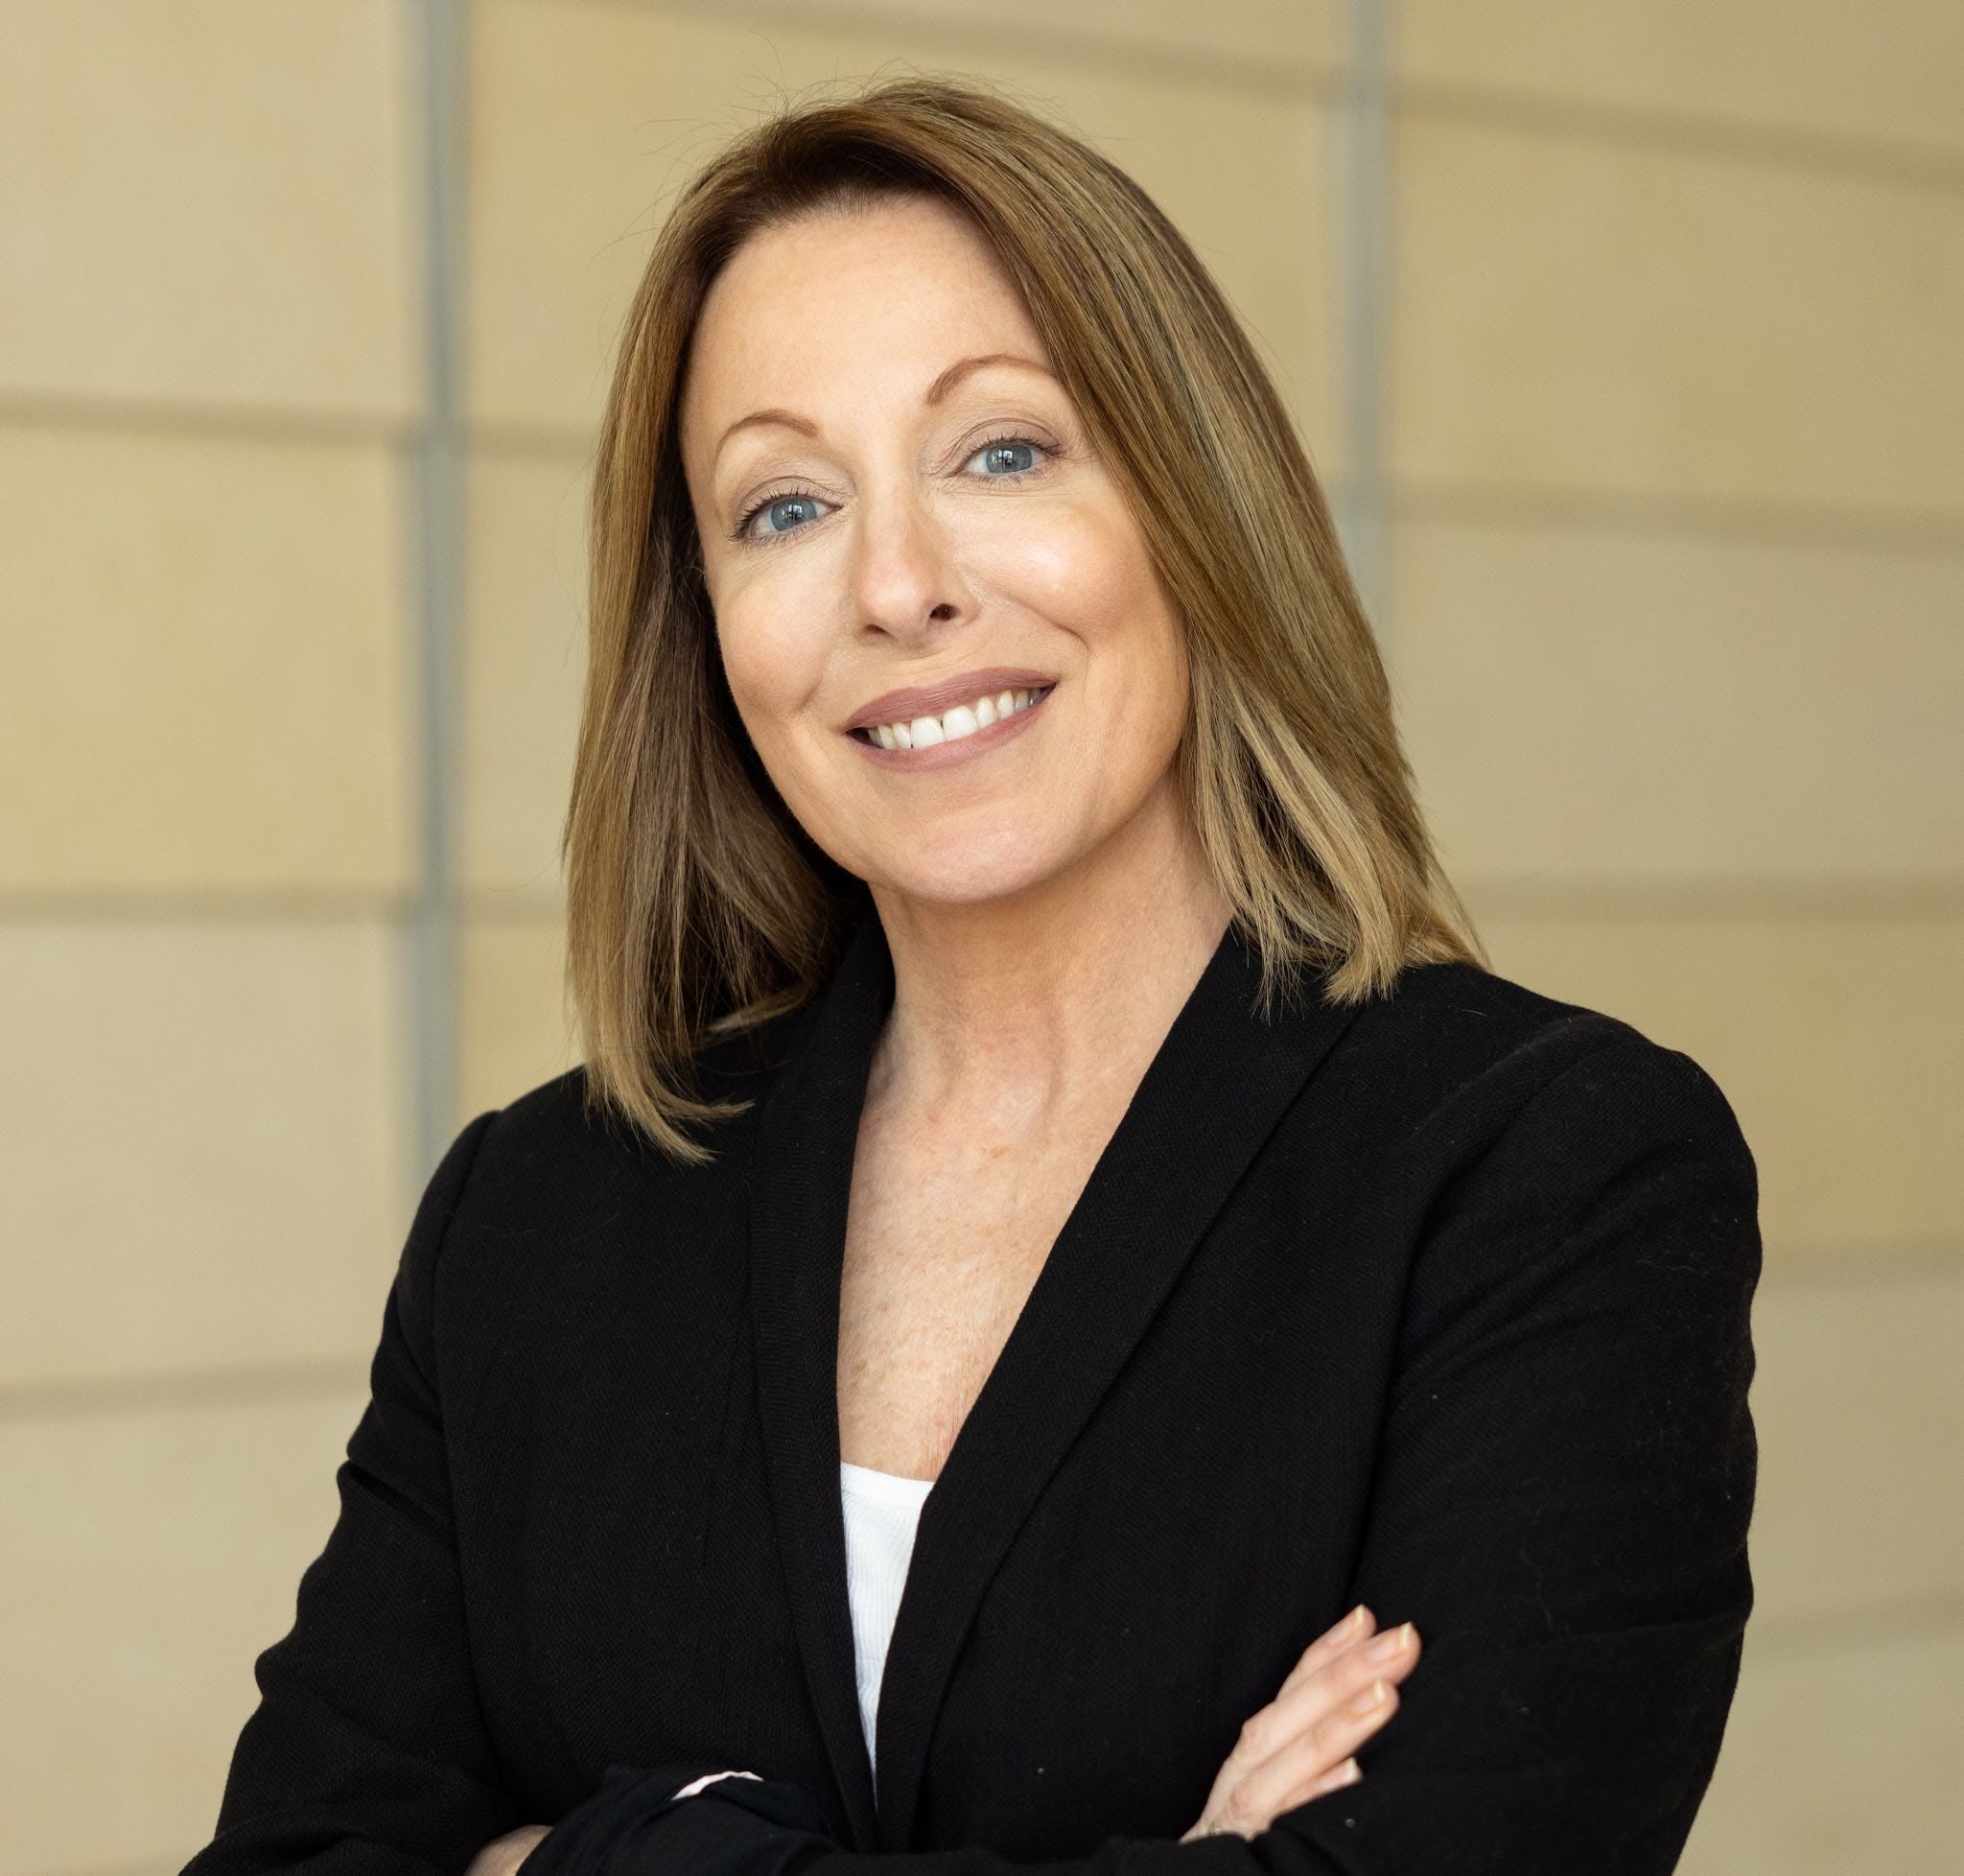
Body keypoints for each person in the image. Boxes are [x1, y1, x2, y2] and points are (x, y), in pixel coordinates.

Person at [178, 74, 1760, 1876]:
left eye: (1001, 452)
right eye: (784, 507)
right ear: (706, 629)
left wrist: (592, 1857)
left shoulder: (1545, 1173)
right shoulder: (533, 1221)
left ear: (1189, 507)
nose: (899, 586)